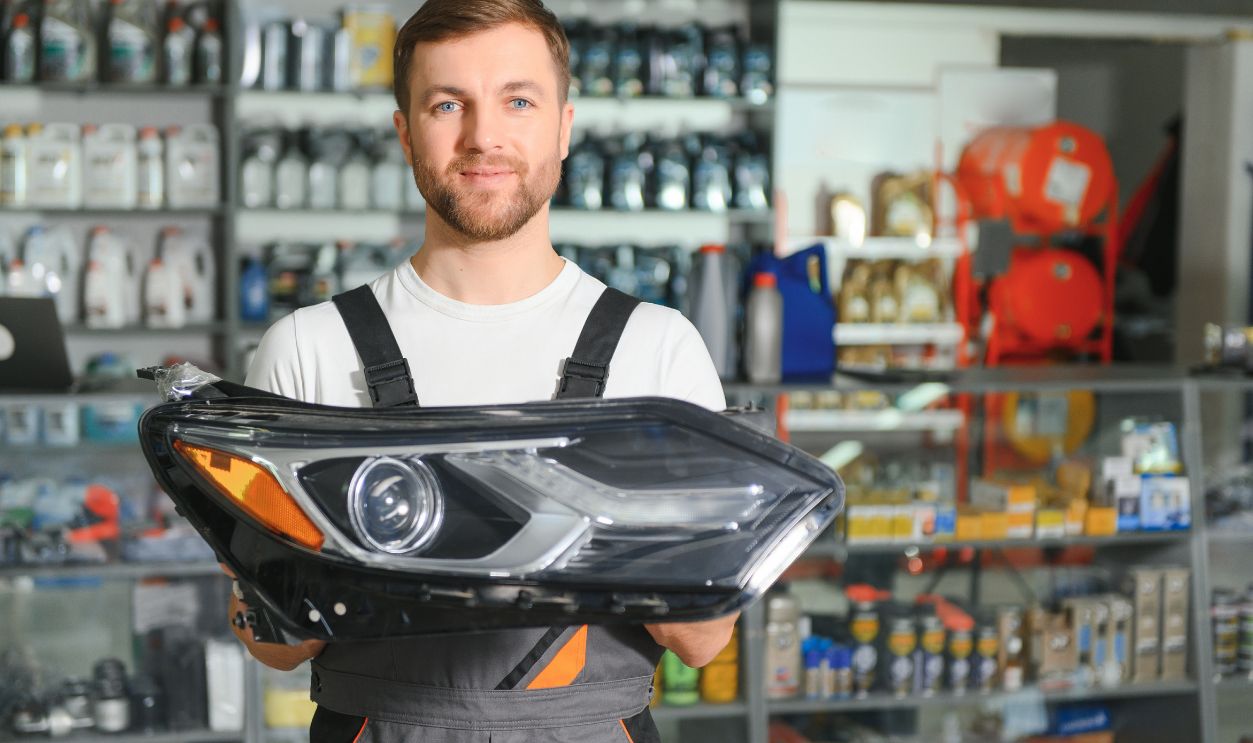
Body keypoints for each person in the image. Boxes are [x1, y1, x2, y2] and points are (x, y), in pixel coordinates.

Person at [228, 1, 737, 740]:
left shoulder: (658, 351)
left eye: (518, 101)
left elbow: (703, 639)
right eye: (446, 104)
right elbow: (269, 643)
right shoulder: (307, 347)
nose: (483, 136)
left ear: (564, 125)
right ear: (405, 132)